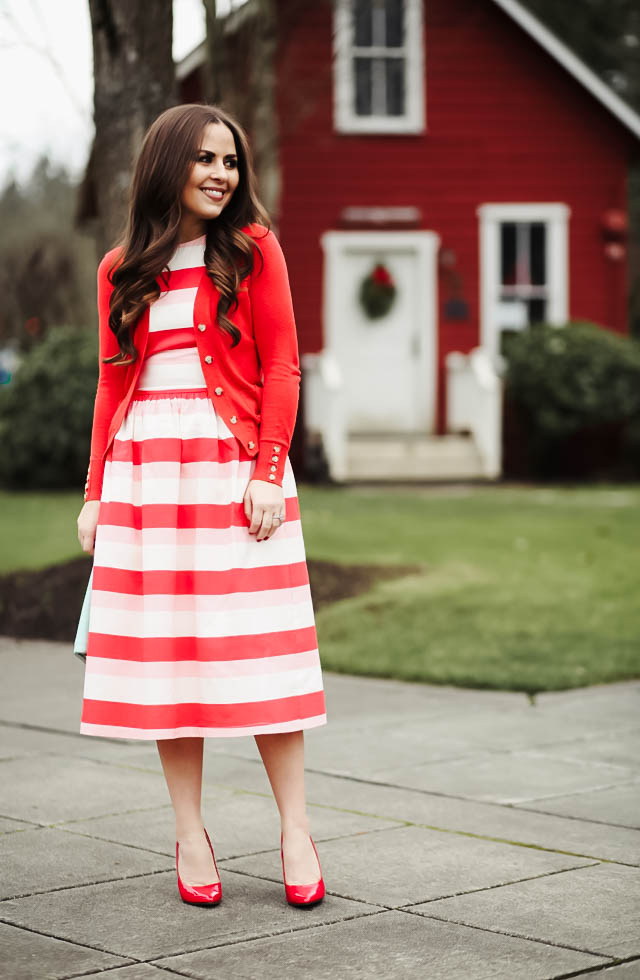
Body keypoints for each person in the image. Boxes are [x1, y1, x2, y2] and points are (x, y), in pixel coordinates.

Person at [75, 103, 327, 909]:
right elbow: (112, 384)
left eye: (231, 161)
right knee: (167, 663)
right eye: (206, 159)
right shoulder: (122, 268)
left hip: (233, 472)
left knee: (262, 654)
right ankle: (190, 831)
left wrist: (267, 469)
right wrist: (95, 493)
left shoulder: (253, 250)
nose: (222, 174)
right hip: (147, 477)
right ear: (168, 164)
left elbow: (284, 365)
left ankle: (296, 828)